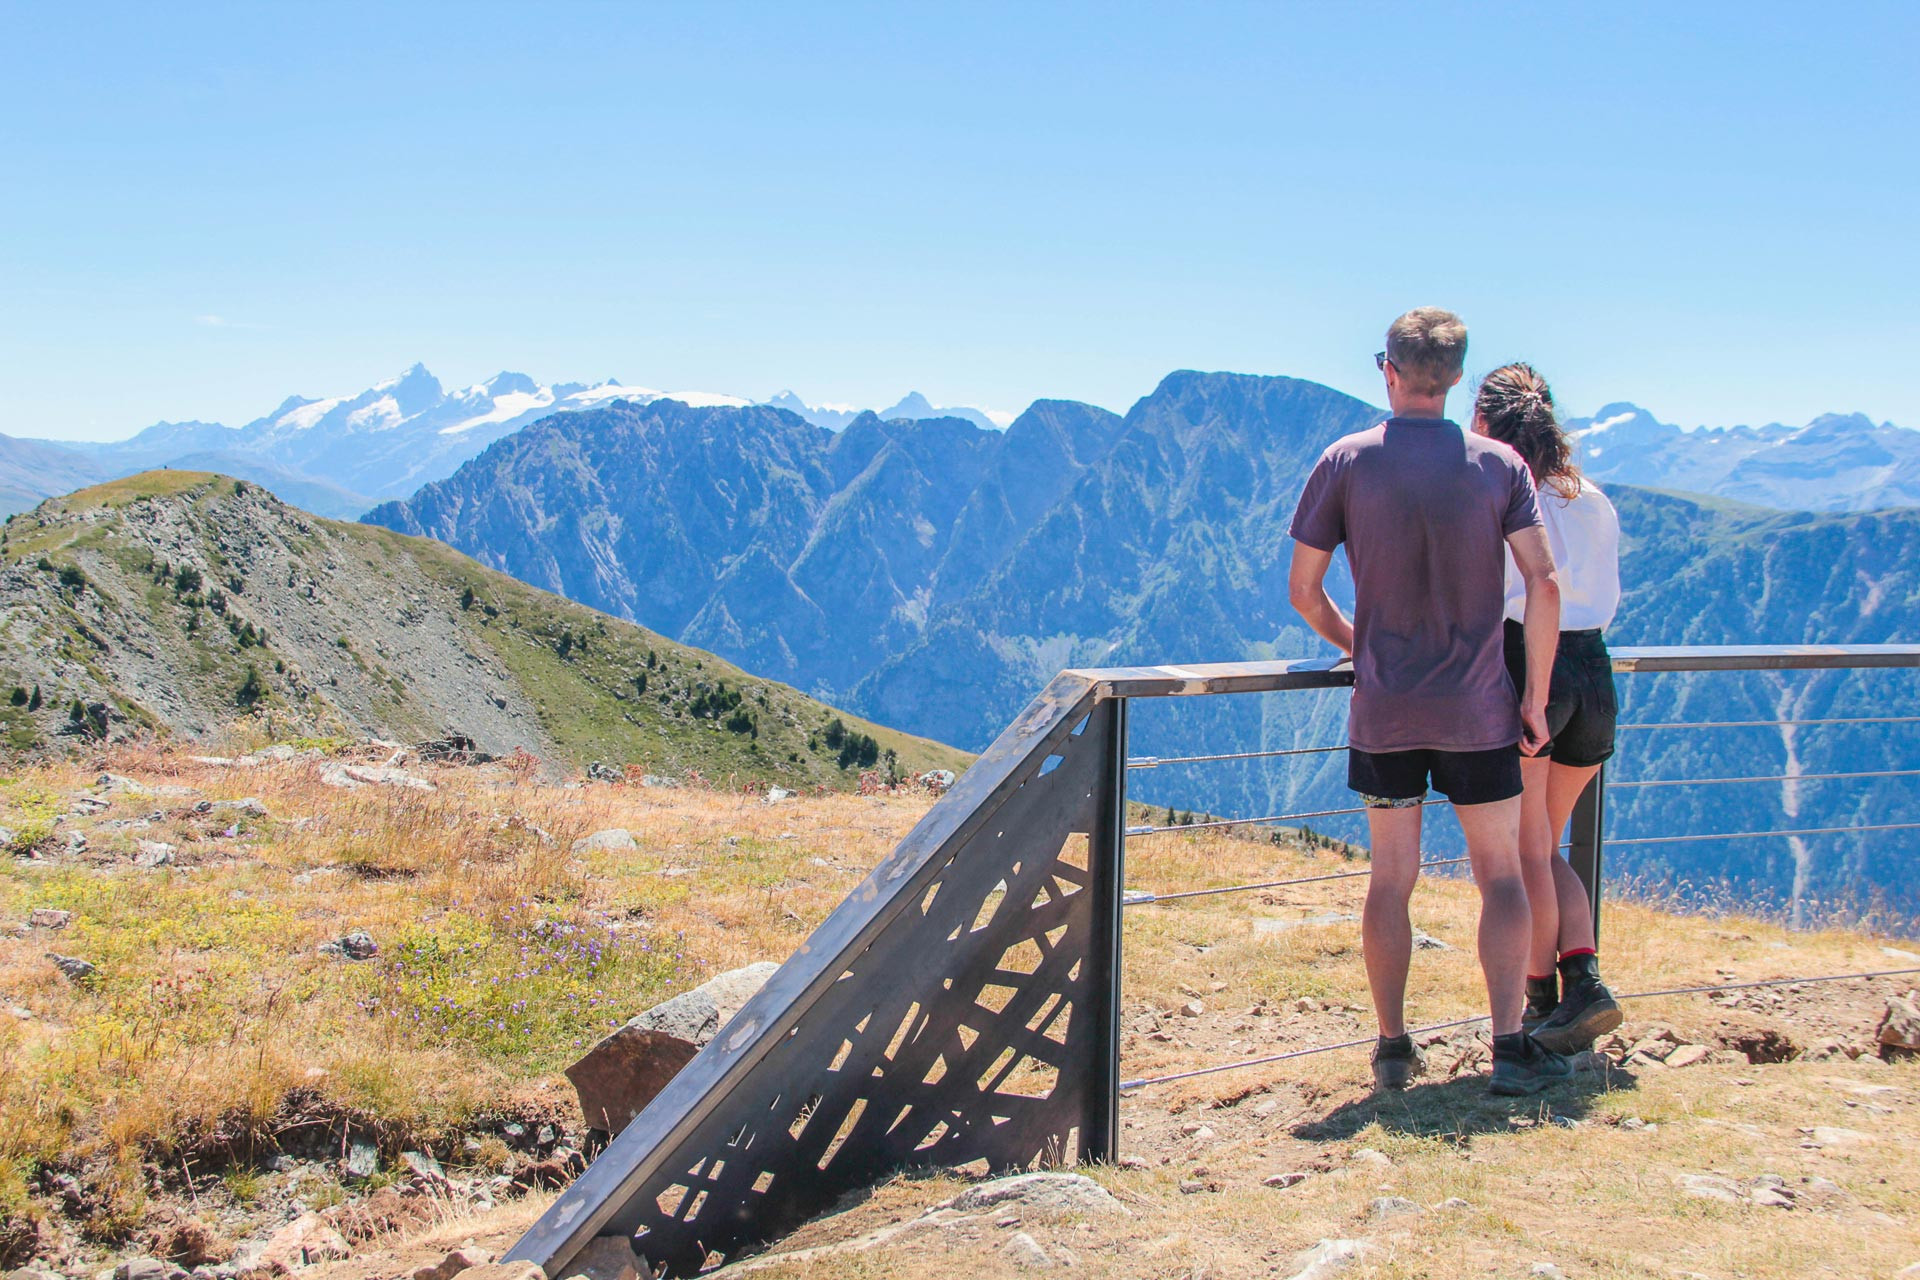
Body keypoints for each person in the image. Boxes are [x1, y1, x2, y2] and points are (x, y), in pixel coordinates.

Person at [1288, 307, 1573, 1096]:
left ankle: (1391, 1048)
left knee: (1391, 880)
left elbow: (1304, 593)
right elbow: (1544, 584)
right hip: (1480, 708)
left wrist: (1360, 646)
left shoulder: (1345, 462)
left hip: (1386, 710)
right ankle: (1510, 1046)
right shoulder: (1499, 468)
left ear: (1389, 369)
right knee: (1502, 877)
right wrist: (1537, 697)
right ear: (1454, 378)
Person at [1473, 363, 1624, 1054]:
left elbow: (1532, 592)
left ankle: (1567, 992)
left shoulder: (1506, 490)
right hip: (1596, 670)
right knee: (1548, 844)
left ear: (1488, 425)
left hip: (1533, 662)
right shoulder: (1590, 496)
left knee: (1528, 848)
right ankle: (1564, 987)